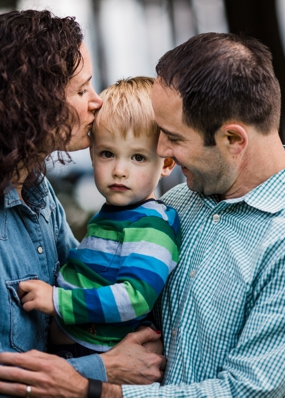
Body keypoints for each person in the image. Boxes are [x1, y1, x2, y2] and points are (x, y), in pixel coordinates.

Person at [0, 33, 285, 398]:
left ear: (233, 140)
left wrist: (90, 387)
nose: (160, 150)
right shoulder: (181, 202)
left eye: (174, 138)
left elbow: (242, 399)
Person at [0, 10, 164, 397]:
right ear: (31, 103)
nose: (97, 103)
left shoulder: (36, 194)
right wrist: (102, 369)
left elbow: (86, 284)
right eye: (81, 90)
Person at [17, 76, 181, 366]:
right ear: (92, 154)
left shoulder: (152, 227)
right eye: (107, 153)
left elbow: (135, 297)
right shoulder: (117, 215)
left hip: (94, 353)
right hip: (76, 346)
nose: (119, 170)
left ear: (167, 163)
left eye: (138, 158)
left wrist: (57, 301)